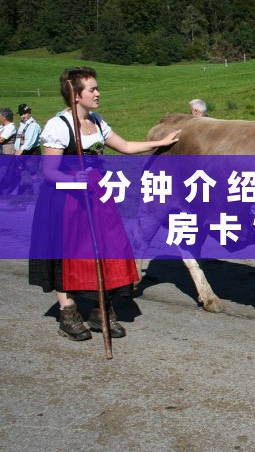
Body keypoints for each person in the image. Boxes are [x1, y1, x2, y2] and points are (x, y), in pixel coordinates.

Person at [28, 67, 180, 342]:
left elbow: (125, 146)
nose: (98, 93)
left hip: (97, 196)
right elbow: (49, 171)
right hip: (67, 199)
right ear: (76, 94)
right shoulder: (58, 126)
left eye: (97, 88)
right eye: (92, 89)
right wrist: (74, 179)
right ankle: (68, 313)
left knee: (109, 248)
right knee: (69, 254)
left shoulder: (96, 121)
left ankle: (100, 309)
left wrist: (162, 142)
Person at [13, 104, 42, 196]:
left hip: (31, 152)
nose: (23, 116)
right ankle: (17, 192)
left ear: (29, 113)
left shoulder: (34, 125)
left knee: (33, 173)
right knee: (19, 171)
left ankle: (37, 193)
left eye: (25, 113)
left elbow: (30, 141)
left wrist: (21, 150)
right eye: (21, 114)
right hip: (21, 152)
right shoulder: (22, 124)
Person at [0, 108, 17, 194]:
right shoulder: (3, 126)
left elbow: (1, 139)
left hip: (7, 152)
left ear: (4, 117)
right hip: (2, 152)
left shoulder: (11, 127)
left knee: (3, 171)